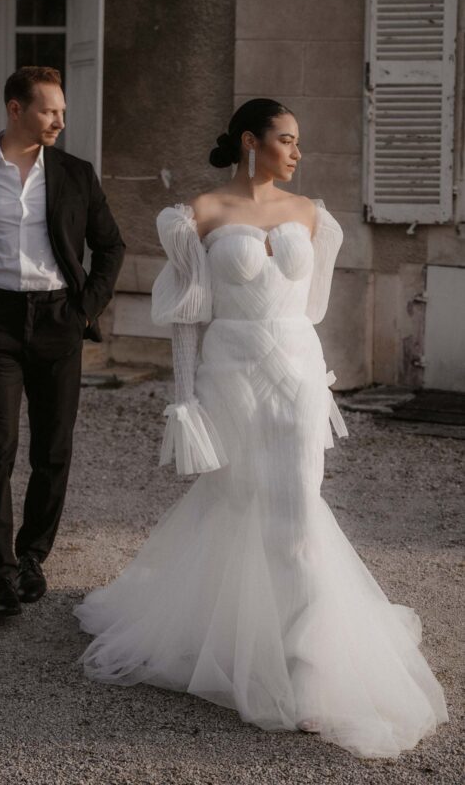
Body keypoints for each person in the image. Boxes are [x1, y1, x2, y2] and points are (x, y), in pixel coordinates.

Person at [74, 98, 447, 758]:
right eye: (285, 139)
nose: (296, 151)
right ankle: (232, 636)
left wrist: (314, 373)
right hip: (230, 374)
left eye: (298, 141)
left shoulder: (311, 216)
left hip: (297, 373)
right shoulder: (198, 217)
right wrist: (185, 402)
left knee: (299, 511)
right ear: (250, 142)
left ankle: (304, 667)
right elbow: (188, 319)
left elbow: (309, 308)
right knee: (241, 502)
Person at [0, 66, 125, 617]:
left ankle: (32, 556)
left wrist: (85, 309)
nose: (60, 120)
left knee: (53, 449)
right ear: (16, 109)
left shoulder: (77, 174)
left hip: (59, 315)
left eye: (61, 110)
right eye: (49, 110)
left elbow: (111, 248)